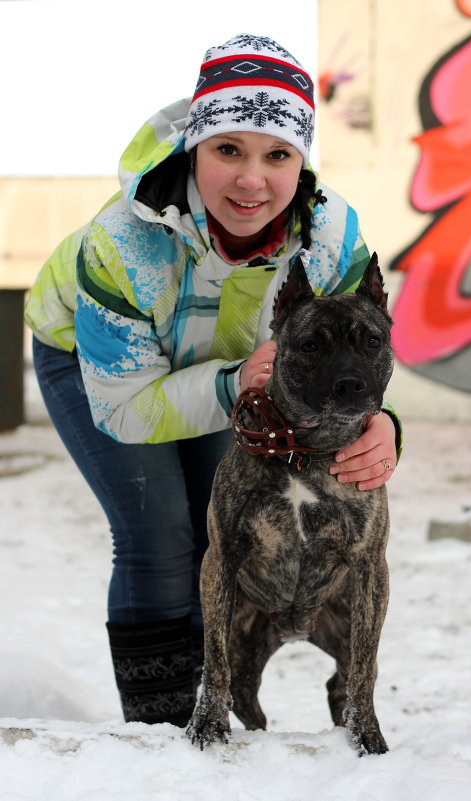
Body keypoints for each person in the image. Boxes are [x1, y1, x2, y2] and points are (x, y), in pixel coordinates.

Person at [25, 33, 402, 728]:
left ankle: (217, 707)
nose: (251, 180)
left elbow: (363, 345)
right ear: (193, 150)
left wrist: (383, 421)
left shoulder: (332, 238)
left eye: (278, 155)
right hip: (100, 365)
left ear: (301, 161)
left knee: (217, 529)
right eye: (228, 149)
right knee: (159, 531)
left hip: (235, 370)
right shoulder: (122, 246)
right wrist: (235, 386)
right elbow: (127, 408)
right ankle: (162, 728)